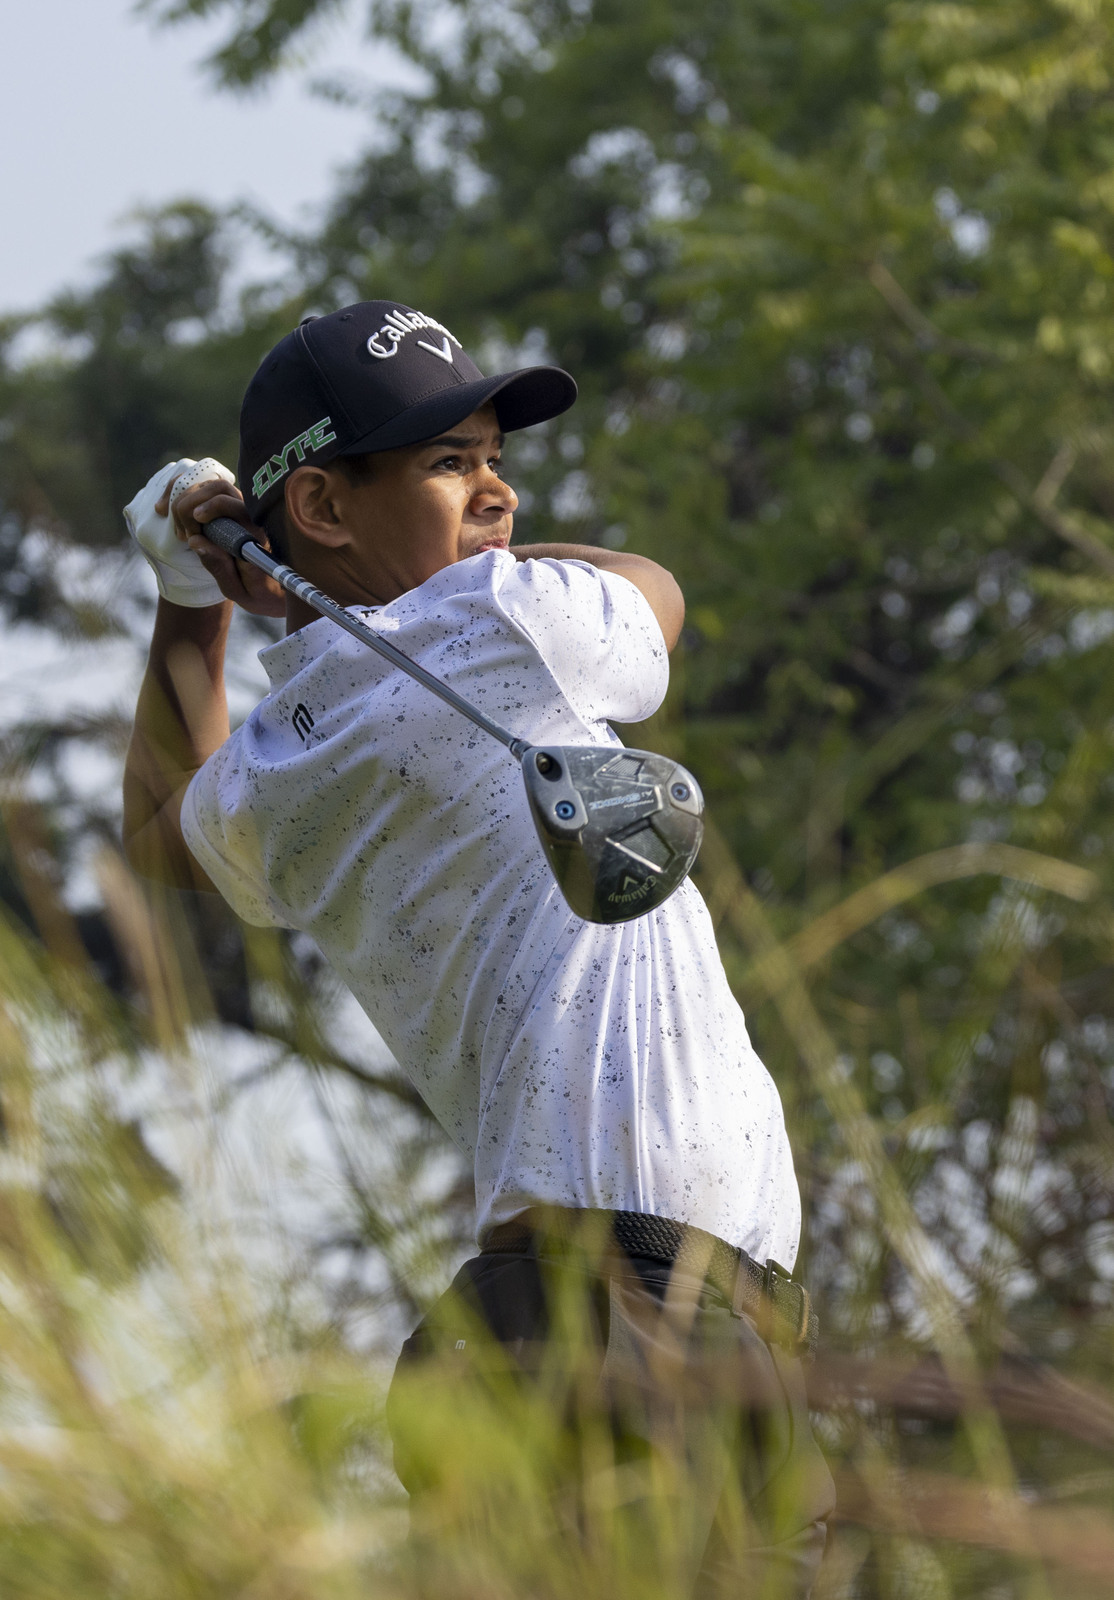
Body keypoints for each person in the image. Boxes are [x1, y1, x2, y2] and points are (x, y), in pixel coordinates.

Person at [122, 300, 835, 1596]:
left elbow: (165, 834)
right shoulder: (511, 625)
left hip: (592, 1303)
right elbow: (656, 590)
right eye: (451, 464)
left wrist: (190, 605)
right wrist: (342, 580)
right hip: (630, 1303)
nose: (497, 493)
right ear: (329, 509)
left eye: (498, 460)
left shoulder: (288, 758)